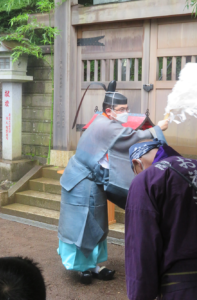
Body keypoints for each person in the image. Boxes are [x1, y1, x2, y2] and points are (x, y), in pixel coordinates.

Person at [58, 80, 169, 284]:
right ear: (109, 111)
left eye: (127, 109)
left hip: (92, 181)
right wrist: (157, 129)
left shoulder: (106, 122)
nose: (126, 112)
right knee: (80, 225)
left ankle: (94, 266)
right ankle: (82, 268)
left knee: (97, 223)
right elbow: (133, 136)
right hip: (80, 182)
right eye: (122, 109)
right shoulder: (104, 124)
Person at [125, 138, 197, 300]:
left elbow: (141, 243)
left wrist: (140, 294)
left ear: (137, 163)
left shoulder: (146, 179)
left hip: (182, 284)